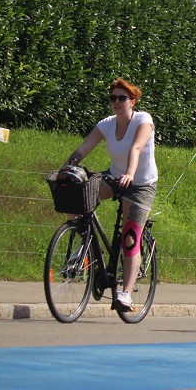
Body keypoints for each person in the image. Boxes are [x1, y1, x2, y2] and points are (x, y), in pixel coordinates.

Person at [65, 78, 158, 313]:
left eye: (121, 98)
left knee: (129, 238)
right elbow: (84, 147)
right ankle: (83, 250)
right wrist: (69, 164)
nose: (116, 102)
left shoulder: (143, 120)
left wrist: (130, 173)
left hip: (141, 184)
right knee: (78, 197)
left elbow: (136, 148)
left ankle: (125, 294)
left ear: (133, 101)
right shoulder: (106, 124)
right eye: (113, 98)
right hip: (115, 177)